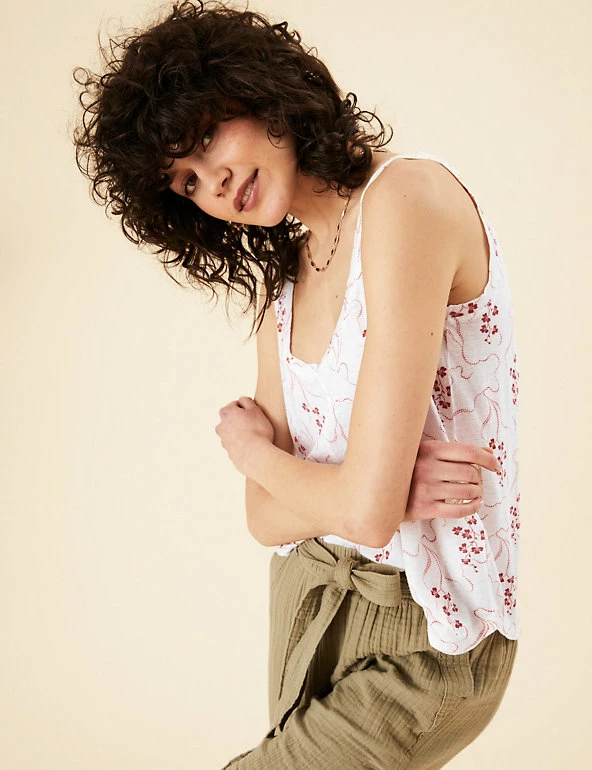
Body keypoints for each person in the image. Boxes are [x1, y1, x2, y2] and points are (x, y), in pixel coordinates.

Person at [73, 2, 520, 767]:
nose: (212, 181)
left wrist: (259, 455)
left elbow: (361, 513)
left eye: (206, 138)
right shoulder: (285, 281)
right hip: (311, 601)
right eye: (186, 181)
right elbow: (264, 519)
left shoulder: (405, 198)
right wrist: (368, 491)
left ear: (260, 92)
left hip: (429, 629)